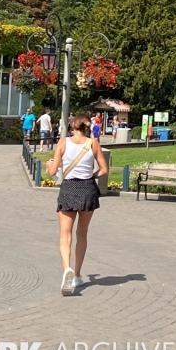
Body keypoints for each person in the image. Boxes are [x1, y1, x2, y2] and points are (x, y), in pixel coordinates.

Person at [46, 114, 108, 295]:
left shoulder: (63, 143)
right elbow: (104, 170)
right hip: (87, 189)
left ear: (73, 126)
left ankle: (67, 270)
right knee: (82, 234)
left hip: (69, 188)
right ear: (87, 127)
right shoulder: (93, 143)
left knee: (65, 236)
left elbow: (52, 171)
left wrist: (48, 165)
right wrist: (91, 176)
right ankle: (78, 275)